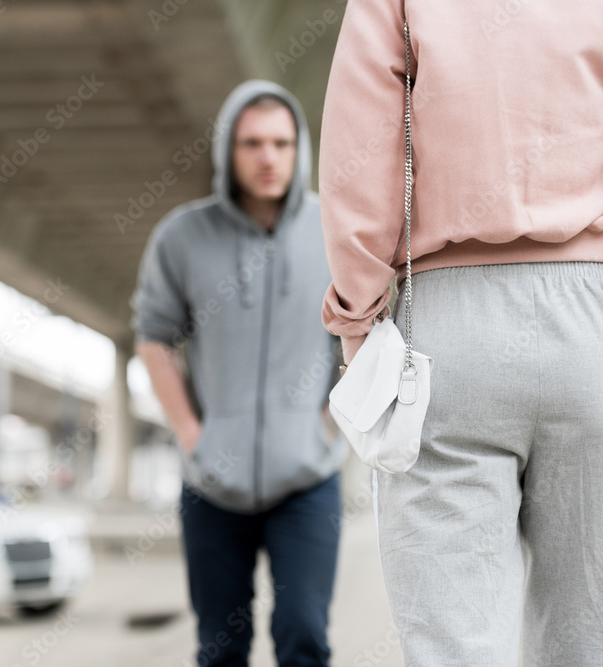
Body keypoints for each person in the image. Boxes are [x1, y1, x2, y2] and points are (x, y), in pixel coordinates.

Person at [319, 2, 603, 665]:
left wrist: (357, 319)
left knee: (455, 646)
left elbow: (360, 157)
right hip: (593, 321)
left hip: (446, 335)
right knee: (588, 638)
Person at [131, 80, 346, 667]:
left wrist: (329, 425)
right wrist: (192, 433)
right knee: (220, 647)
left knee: (304, 633)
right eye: (252, 143)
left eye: (281, 142)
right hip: (211, 483)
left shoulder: (336, 230)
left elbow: (369, 330)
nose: (268, 157)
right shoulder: (182, 236)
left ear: (300, 148)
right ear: (228, 149)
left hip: (308, 479)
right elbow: (152, 337)